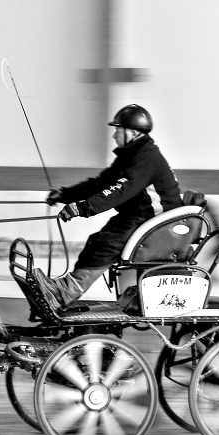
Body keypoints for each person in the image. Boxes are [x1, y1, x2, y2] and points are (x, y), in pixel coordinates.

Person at [33, 104, 183, 313]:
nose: (114, 135)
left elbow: (119, 190)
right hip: (140, 217)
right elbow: (101, 183)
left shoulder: (146, 158)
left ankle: (65, 292)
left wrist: (82, 208)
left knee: (108, 243)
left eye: (118, 130)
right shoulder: (131, 155)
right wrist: (66, 194)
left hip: (156, 223)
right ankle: (65, 290)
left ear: (133, 132)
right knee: (98, 240)